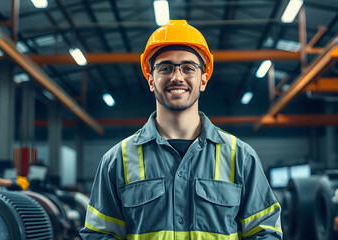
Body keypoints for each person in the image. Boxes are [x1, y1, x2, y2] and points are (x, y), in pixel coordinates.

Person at [80, 20, 282, 239]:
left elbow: (265, 231)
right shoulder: (116, 160)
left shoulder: (240, 157)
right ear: (150, 80)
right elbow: (99, 234)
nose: (177, 77)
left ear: (203, 79)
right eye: (166, 68)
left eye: (188, 68)